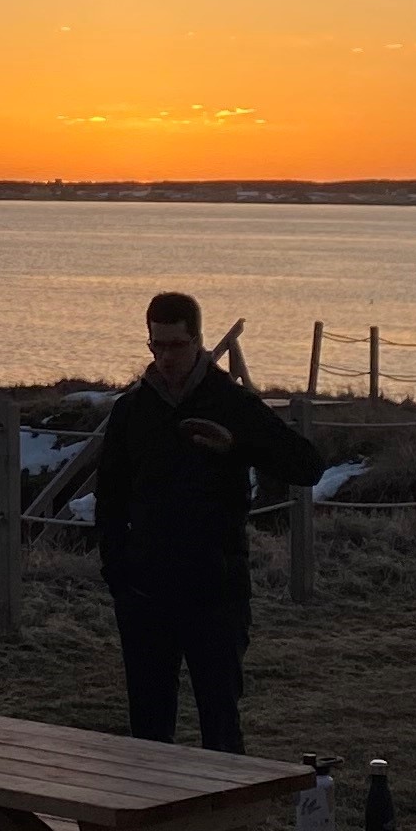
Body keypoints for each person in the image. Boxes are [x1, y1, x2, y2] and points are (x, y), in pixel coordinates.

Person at [89, 291, 322, 754]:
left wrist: (237, 445)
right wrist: (117, 574)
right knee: (149, 734)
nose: (166, 357)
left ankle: (226, 826)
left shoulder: (230, 402)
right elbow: (110, 499)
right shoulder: (131, 411)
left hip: (215, 590)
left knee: (220, 724)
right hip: (145, 593)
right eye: (157, 346)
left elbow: (306, 466)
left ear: (197, 340)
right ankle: (154, 824)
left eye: (176, 345)